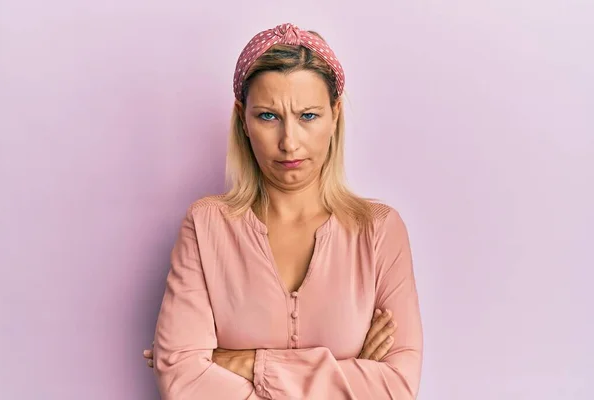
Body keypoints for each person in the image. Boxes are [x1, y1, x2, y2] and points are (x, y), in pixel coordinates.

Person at [142, 22, 423, 399]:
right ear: (242, 119)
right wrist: (348, 374)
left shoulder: (379, 230)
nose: (289, 143)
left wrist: (245, 363)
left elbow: (396, 387)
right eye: (268, 116)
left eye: (308, 116)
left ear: (335, 114)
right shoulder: (206, 225)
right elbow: (182, 384)